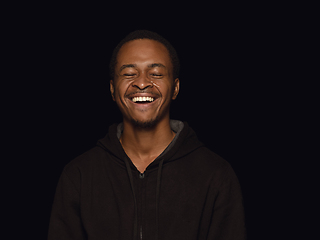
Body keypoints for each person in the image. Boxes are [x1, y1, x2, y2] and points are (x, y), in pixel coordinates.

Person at [48, 30, 246, 240]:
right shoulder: (79, 175)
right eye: (129, 74)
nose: (142, 83)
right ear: (113, 89)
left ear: (175, 88)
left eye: (156, 74)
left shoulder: (215, 174)